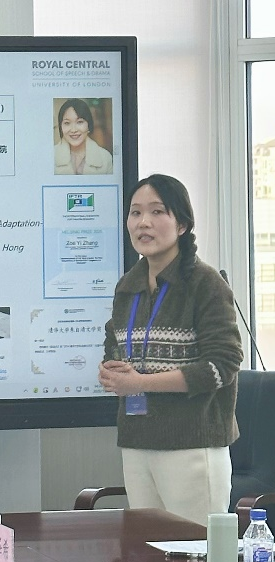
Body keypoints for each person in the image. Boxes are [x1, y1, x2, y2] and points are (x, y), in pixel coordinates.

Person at [98, 174, 242, 526]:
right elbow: (114, 345)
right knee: (147, 547)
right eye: (135, 213)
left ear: (182, 224)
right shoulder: (128, 286)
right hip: (137, 442)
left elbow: (222, 367)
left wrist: (140, 383)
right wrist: (111, 370)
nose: (143, 222)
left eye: (157, 211)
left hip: (191, 444)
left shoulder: (205, 284)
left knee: (194, 547)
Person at [54, 98, 113, 175]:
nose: (73, 130)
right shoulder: (50, 155)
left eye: (80, 122)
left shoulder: (105, 157)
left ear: (89, 125)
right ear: (61, 126)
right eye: (67, 123)